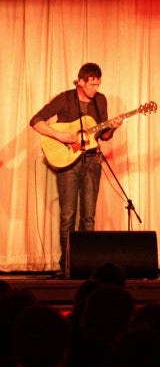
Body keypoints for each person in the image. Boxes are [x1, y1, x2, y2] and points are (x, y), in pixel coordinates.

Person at [30, 63, 122, 275]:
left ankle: (87, 265)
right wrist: (59, 135)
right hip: (68, 162)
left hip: (92, 160)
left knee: (88, 216)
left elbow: (102, 136)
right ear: (80, 82)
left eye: (98, 84)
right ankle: (67, 266)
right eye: (92, 84)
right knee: (68, 215)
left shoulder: (100, 100)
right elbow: (35, 121)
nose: (95, 89)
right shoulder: (65, 98)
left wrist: (113, 128)